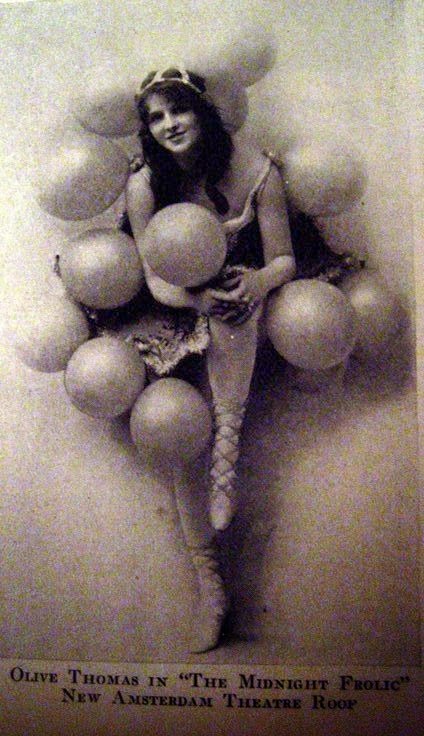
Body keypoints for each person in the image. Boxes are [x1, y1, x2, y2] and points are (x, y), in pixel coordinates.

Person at [124, 65, 296, 652]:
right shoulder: (145, 184)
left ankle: (230, 430)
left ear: (202, 112)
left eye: (179, 110)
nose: (170, 124)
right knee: (178, 437)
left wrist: (256, 283)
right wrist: (197, 298)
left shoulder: (255, 169)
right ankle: (209, 588)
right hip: (173, 306)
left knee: (233, 314)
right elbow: (154, 278)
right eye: (156, 117)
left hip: (239, 303)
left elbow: (283, 259)